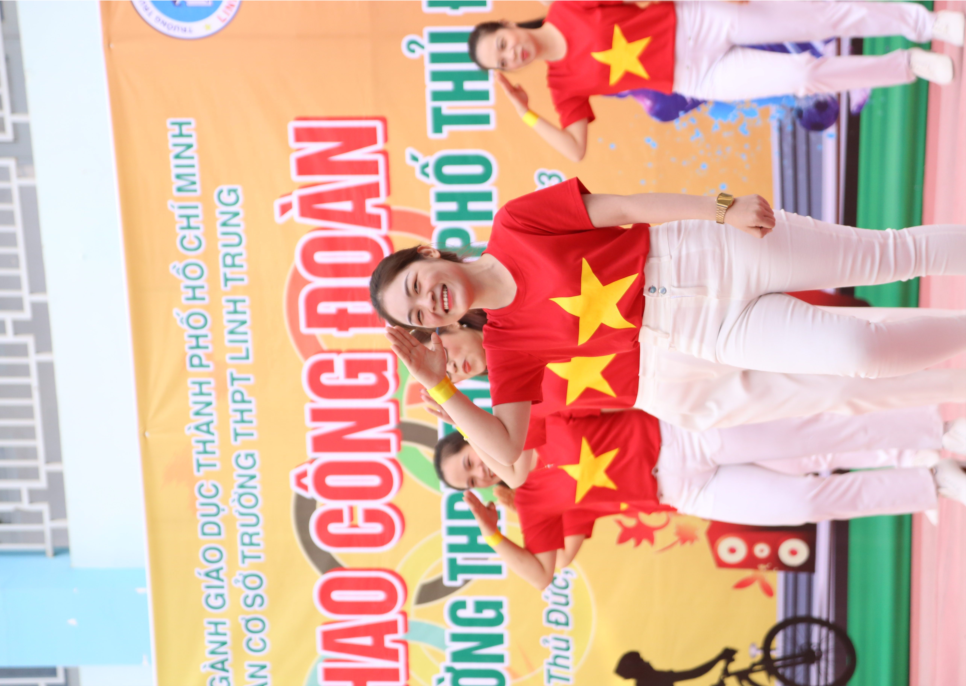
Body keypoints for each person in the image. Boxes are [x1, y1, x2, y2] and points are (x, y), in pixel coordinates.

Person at [372, 179, 966, 466]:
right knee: (861, 356)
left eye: (417, 286)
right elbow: (505, 452)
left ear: (428, 253)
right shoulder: (507, 346)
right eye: (417, 316)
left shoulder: (515, 224)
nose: (430, 304)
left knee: (888, 255)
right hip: (701, 333)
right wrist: (441, 387)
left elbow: (624, 206)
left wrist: (722, 208)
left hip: (703, 252)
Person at [436, 409, 966, 590]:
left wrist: (453, 401)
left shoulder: (528, 419)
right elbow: (543, 574)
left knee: (814, 435)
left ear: (471, 437)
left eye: (469, 461)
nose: (480, 473)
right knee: (805, 504)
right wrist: (491, 531)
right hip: (681, 492)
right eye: (470, 481)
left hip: (682, 436)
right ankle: (934, 481)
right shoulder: (532, 506)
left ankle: (939, 430)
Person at [469, 0, 964, 161]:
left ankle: (926, 24)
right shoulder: (561, 84)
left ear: (508, 24)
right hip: (695, 76)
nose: (512, 54)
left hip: (698, 20)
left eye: (503, 44)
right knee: (803, 75)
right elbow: (575, 150)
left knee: (820, 17)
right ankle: (908, 65)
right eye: (503, 62)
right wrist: (524, 112)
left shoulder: (565, 7)